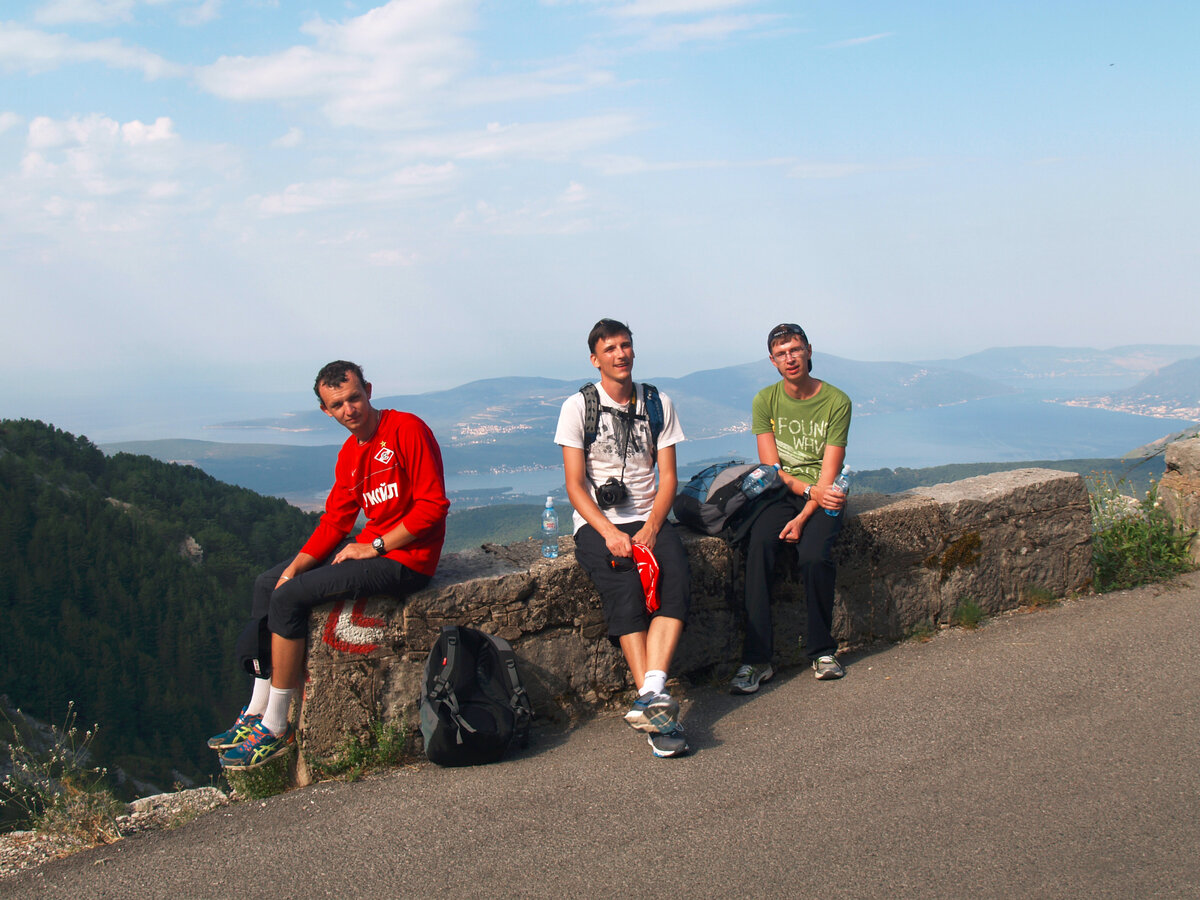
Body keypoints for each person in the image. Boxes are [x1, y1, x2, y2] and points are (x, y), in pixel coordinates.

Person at [209, 360, 450, 768]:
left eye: (354, 398)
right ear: (326, 410)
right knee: (270, 584)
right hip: (376, 551)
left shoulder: (406, 429)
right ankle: (255, 709)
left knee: (287, 601)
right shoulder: (350, 454)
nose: (349, 410)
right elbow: (335, 520)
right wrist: (296, 567)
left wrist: (373, 545)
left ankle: (276, 726)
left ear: (369, 390)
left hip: (407, 561)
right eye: (337, 405)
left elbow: (433, 507)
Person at [554, 319, 691, 758]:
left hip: (649, 515)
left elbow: (668, 476)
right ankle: (658, 714)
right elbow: (575, 485)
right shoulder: (578, 407)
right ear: (595, 359)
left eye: (626, 345)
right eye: (610, 348)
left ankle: (651, 694)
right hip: (599, 522)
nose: (621, 354)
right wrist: (610, 532)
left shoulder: (656, 401)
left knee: (676, 582)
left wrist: (652, 526)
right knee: (625, 588)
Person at [730, 323, 852, 695]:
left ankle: (822, 650)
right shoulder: (765, 401)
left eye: (795, 350)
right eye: (782, 353)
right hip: (785, 491)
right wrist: (803, 495)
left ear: (809, 351)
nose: (790, 358)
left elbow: (829, 477)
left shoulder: (836, 401)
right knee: (759, 548)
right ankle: (757, 660)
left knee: (814, 556)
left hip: (824, 494)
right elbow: (773, 470)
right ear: (773, 361)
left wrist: (803, 515)